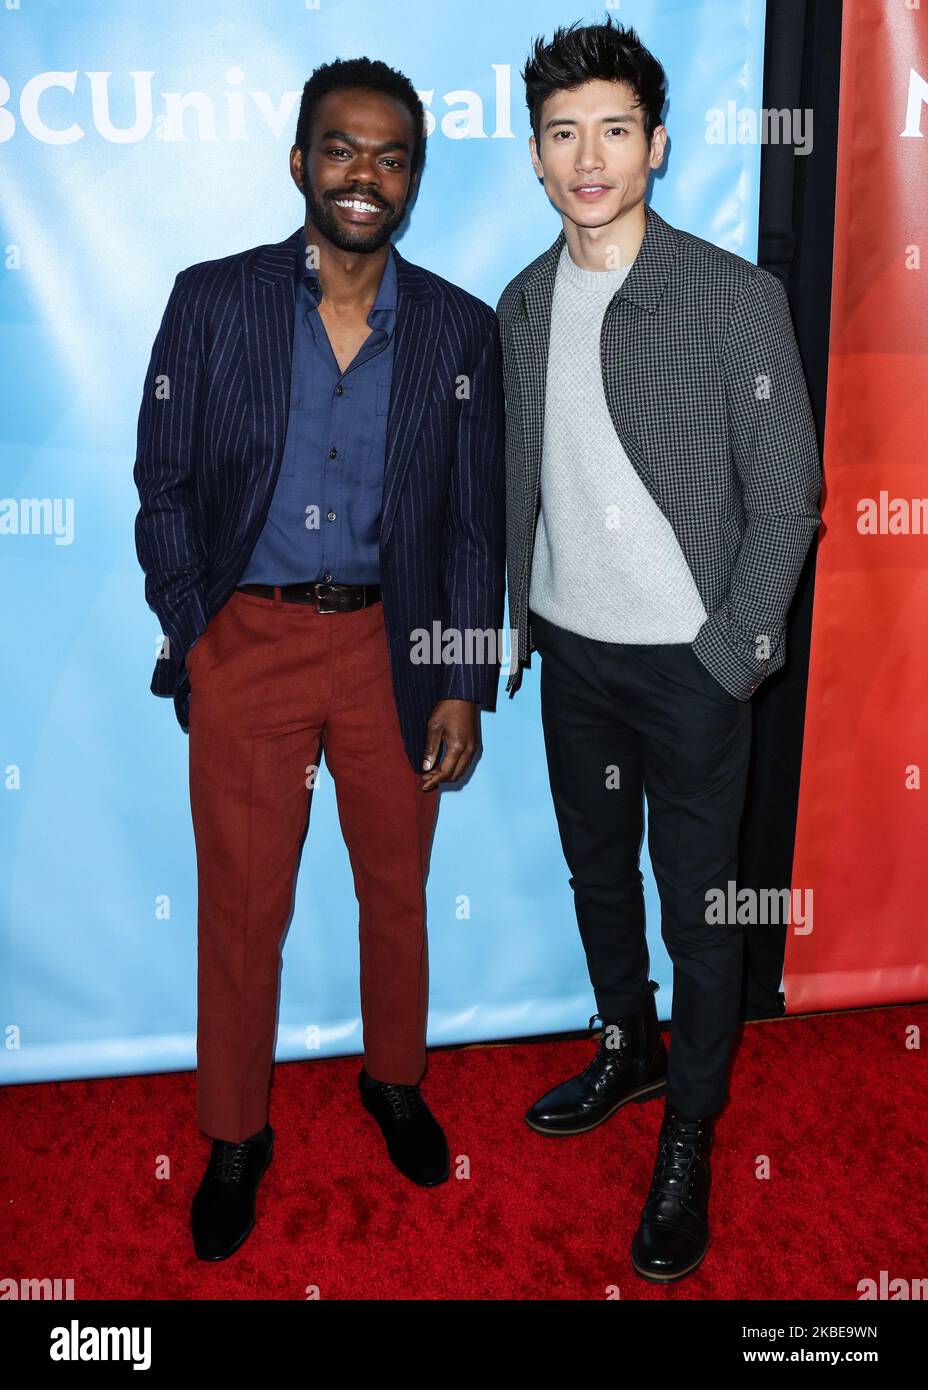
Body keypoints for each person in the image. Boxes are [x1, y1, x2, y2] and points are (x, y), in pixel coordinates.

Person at [133, 56, 505, 1261]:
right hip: (249, 644)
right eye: (341, 148)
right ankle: (236, 1133)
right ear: (300, 162)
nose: (365, 175)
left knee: (396, 897)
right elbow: (165, 481)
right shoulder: (212, 300)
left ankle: (393, 1082)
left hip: (394, 652)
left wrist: (459, 673)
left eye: (391, 157)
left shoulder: (458, 325)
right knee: (245, 912)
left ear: (414, 181)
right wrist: (198, 631)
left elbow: (473, 521)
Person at [498, 17, 821, 1282]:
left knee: (700, 908)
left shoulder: (731, 295)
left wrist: (731, 656)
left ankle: (689, 1127)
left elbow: (789, 487)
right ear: (534, 156)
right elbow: (515, 480)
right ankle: (627, 1046)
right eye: (564, 132)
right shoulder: (524, 303)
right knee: (595, 876)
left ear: (658, 146)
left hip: (689, 672)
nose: (589, 156)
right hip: (571, 658)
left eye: (614, 130)